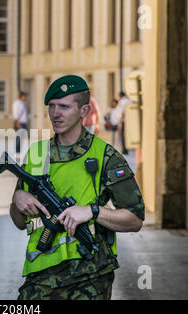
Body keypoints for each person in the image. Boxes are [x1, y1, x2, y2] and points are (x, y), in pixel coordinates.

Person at [10, 75, 144, 300]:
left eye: (64, 107)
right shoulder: (37, 154)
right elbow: (18, 222)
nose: (55, 113)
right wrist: (17, 200)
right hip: (40, 278)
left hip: (89, 279)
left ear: (84, 111)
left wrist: (92, 211)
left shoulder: (105, 156)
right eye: (51, 106)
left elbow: (135, 220)